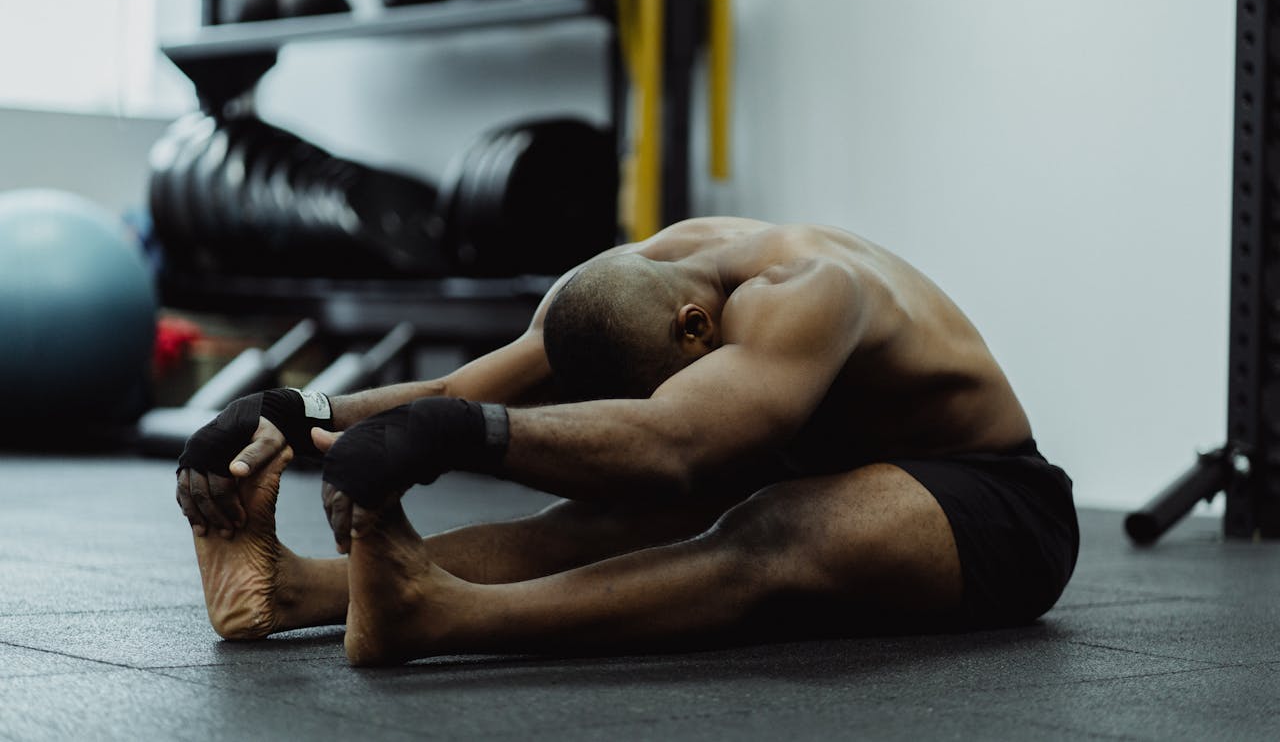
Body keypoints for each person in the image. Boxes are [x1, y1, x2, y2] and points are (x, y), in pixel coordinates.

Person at [175, 216, 1078, 666]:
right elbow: (455, 391)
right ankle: (287, 590)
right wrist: (297, 408)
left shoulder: (809, 292)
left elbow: (676, 443)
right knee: (603, 509)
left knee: (778, 526)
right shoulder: (608, 286)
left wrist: (452, 438)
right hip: (834, 455)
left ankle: (441, 613)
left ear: (696, 330)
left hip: (994, 501)